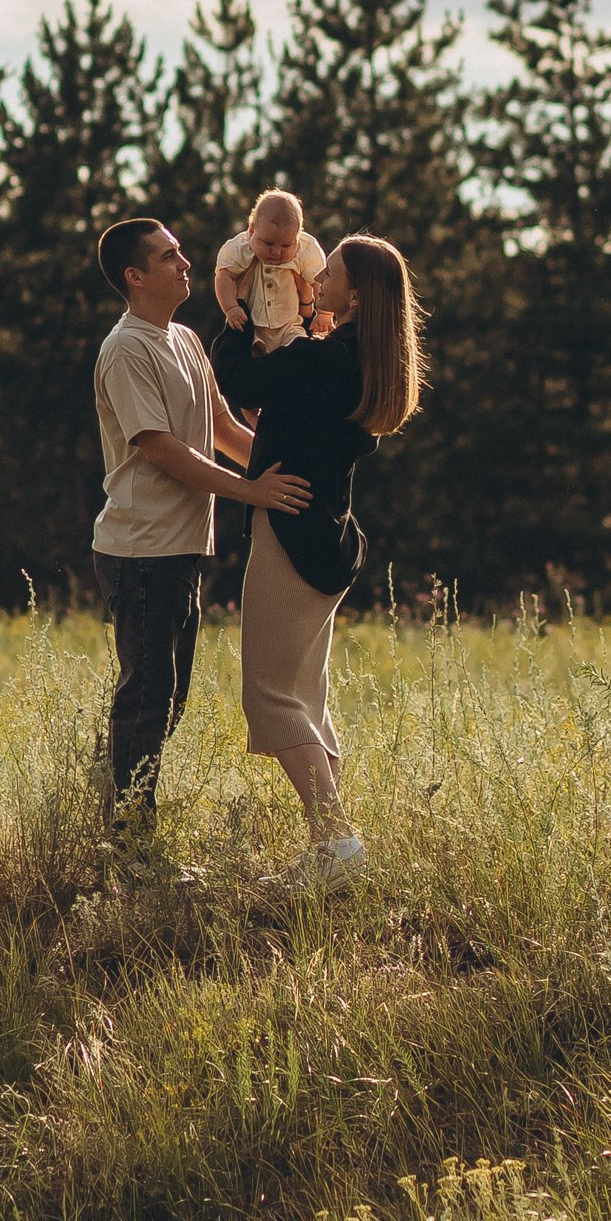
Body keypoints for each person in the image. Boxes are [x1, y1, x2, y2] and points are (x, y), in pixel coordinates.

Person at [211, 232, 424, 884]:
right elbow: (275, 415)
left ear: (355, 291)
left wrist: (237, 311)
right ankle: (329, 846)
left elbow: (240, 376)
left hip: (292, 535)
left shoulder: (322, 359)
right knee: (305, 697)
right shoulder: (363, 359)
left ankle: (337, 845)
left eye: (325, 272)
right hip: (330, 535)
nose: (314, 279)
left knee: (270, 698)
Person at [91, 216, 309, 842]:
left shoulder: (185, 339)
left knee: (169, 695)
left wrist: (283, 474)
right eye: (169, 258)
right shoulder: (126, 347)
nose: (186, 263)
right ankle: (129, 842)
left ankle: (120, 809)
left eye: (180, 253)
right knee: (149, 695)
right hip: (139, 551)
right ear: (135, 277)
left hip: (179, 549)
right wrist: (250, 492)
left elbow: (222, 430)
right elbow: (159, 448)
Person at [212, 186, 328, 355]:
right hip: (254, 327)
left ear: (298, 236)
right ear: (252, 231)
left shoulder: (305, 249)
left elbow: (321, 281)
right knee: (249, 354)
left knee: (301, 349)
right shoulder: (242, 247)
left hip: (289, 325)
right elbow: (224, 276)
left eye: (286, 245)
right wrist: (231, 308)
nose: (276, 252)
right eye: (268, 243)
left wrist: (324, 313)